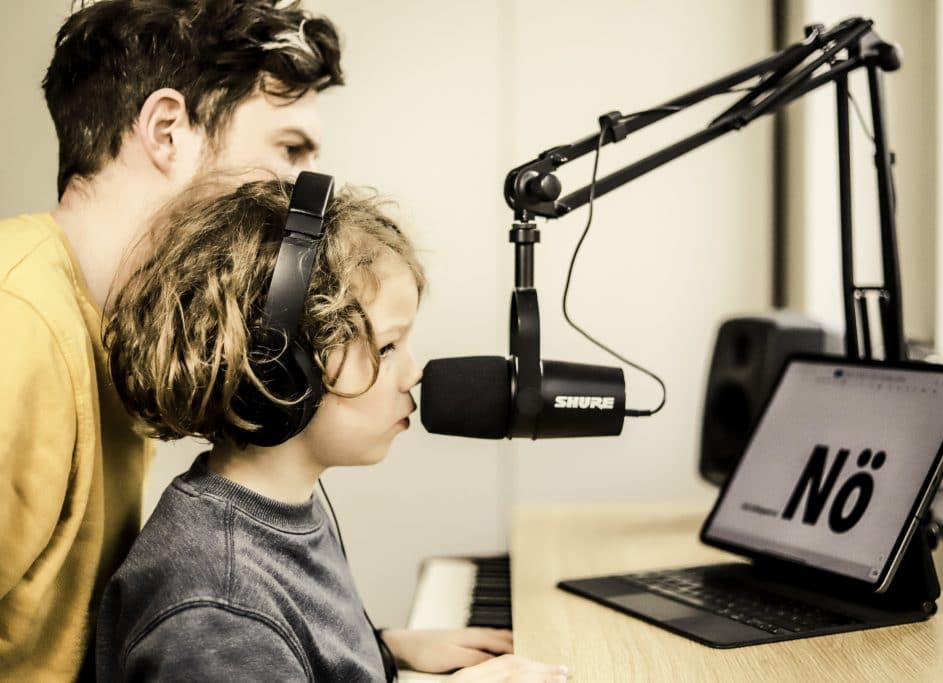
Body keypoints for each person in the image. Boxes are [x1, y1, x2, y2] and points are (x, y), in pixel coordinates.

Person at [96, 176, 570, 682]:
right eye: (387, 348)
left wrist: (384, 649)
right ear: (278, 370)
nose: (414, 373)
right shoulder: (219, 605)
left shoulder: (278, 509)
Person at [0, 1, 343, 678]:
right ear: (166, 131)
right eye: (289, 150)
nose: (302, 200)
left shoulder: (116, 329)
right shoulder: (17, 330)